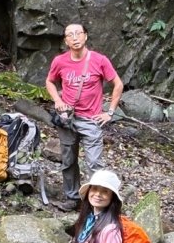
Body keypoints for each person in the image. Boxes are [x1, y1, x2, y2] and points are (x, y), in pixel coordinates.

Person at [45, 24, 124, 212]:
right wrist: (57, 100)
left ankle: (96, 203)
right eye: (70, 35)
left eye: (78, 33)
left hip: (91, 120)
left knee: (94, 163)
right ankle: (72, 198)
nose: (74, 38)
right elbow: (49, 81)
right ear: (65, 40)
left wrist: (110, 112)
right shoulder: (60, 61)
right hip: (68, 119)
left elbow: (118, 84)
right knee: (68, 160)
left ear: (85, 36)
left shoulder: (99, 60)